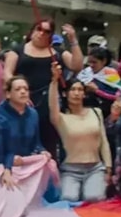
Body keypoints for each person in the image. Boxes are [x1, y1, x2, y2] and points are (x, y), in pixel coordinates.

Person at [3, 18, 84, 156]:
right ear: (33, 31)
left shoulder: (57, 52)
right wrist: (20, 93)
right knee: (20, 140)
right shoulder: (18, 50)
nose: (41, 33)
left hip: (50, 102)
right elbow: (7, 74)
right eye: (38, 29)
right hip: (22, 101)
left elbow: (76, 65)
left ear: (51, 35)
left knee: (49, 142)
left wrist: (73, 40)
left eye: (46, 31)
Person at [48, 63, 112, 202]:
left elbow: (104, 141)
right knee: (68, 198)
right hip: (70, 170)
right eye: (73, 90)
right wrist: (54, 80)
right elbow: (52, 106)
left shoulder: (96, 112)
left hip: (95, 167)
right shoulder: (61, 118)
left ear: (84, 93)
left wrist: (108, 167)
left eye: (80, 90)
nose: (77, 93)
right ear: (65, 93)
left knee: (94, 198)